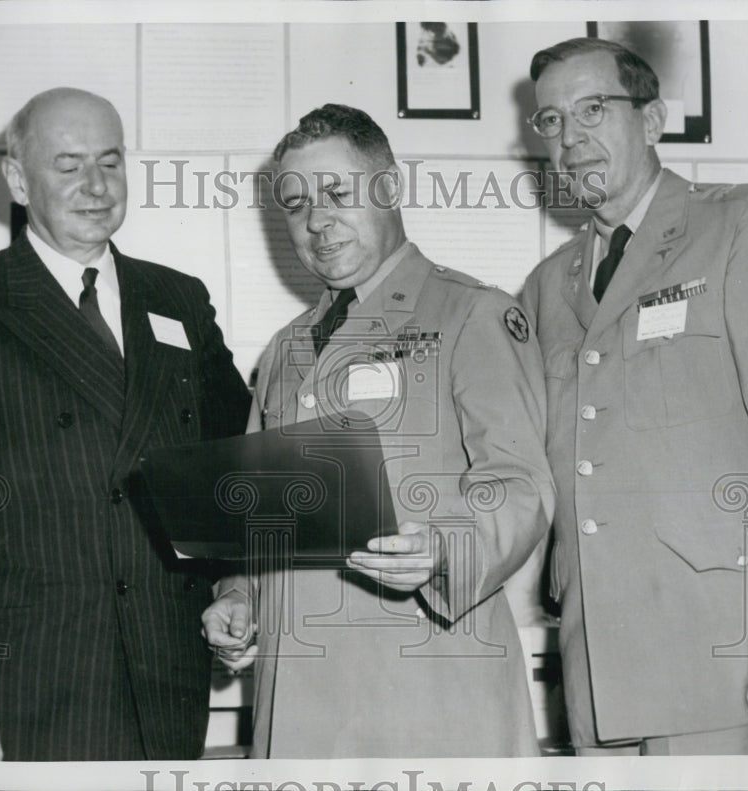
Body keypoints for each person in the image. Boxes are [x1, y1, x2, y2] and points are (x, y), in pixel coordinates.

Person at [0, 87, 250, 761]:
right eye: (70, 164)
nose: (95, 185)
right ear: (19, 179)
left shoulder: (179, 298)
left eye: (110, 162)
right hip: (25, 684)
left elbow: (228, 460)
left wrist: (236, 579)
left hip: (165, 676)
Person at [201, 103, 555, 758]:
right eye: (296, 203)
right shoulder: (283, 350)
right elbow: (259, 522)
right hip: (298, 702)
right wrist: (239, 594)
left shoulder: (471, 313)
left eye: (338, 192)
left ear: (390, 188)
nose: (316, 221)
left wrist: (446, 547)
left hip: (425, 690)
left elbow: (520, 485)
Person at [520, 38, 748, 755]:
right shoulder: (545, 288)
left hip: (723, 668)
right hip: (595, 674)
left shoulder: (743, 225)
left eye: (593, 109)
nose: (570, 139)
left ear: (654, 119)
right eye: (552, 121)